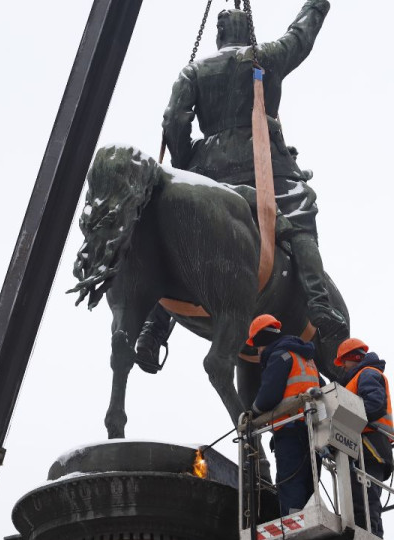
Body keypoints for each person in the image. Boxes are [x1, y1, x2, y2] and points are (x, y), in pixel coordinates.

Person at [136, 0, 345, 371]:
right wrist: (318, 4)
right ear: (248, 30)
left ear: (217, 35)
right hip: (264, 164)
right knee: (299, 213)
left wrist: (188, 165)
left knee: (176, 238)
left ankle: (153, 329)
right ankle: (319, 305)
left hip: (207, 173)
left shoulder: (194, 70)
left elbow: (173, 122)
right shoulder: (263, 56)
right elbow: (301, 36)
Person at [247, 314, 322, 515]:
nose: (259, 351)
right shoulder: (307, 359)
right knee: (309, 481)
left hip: (290, 431)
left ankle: (293, 526)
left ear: (262, 339)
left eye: (258, 346)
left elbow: (268, 396)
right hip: (313, 431)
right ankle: (306, 520)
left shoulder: (280, 355)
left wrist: (253, 413)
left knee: (290, 482)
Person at [335, 338, 394, 538]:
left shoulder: (367, 373)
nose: (342, 366)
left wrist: (344, 424)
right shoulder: (357, 377)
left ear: (354, 357)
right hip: (364, 447)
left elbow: (375, 404)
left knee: (366, 502)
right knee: (360, 502)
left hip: (371, 447)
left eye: (344, 361)